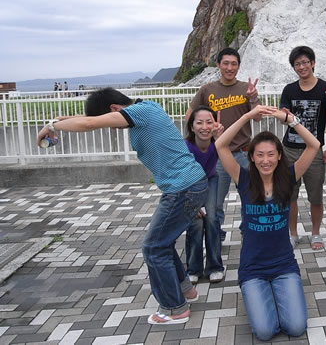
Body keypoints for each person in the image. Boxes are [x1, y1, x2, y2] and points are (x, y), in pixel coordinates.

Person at [36, 88, 208, 325]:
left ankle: (175, 309)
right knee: (162, 243)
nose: (112, 127)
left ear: (115, 109)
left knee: (153, 247)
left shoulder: (139, 113)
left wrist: (50, 127)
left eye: (111, 121)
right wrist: (56, 121)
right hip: (188, 186)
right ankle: (185, 290)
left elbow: (89, 124)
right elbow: (90, 120)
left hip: (183, 189)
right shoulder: (148, 107)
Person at [215, 105, 319, 341]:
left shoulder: (289, 177)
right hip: (253, 268)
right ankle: (260, 296)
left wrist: (290, 120)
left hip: (284, 266)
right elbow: (220, 145)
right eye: (259, 155)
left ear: (279, 156)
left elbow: (314, 145)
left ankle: (275, 294)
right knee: (264, 332)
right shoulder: (243, 179)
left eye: (271, 154)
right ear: (252, 157)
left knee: (296, 328)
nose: (265, 160)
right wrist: (248, 116)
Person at [186, 47, 260, 242]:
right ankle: (216, 237)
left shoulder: (246, 88)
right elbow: (190, 117)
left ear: (238, 66)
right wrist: (204, 136)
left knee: (250, 198)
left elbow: (258, 117)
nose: (229, 67)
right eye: (225, 63)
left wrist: (253, 98)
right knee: (215, 203)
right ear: (218, 65)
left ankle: (249, 233)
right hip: (217, 154)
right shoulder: (207, 89)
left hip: (243, 153)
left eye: (234, 64)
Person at [280, 46, 326, 251]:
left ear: (313, 63)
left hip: (314, 151)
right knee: (290, 195)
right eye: (297, 64)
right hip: (289, 149)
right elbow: (284, 117)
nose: (302, 67)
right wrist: (285, 116)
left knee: (316, 195)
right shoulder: (289, 90)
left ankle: (316, 233)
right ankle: (293, 234)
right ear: (293, 67)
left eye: (305, 62)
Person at [184, 106, 225, 284]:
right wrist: (193, 204)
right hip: (190, 184)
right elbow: (182, 177)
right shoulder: (186, 147)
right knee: (195, 222)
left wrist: (220, 138)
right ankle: (193, 269)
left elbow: (227, 157)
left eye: (209, 122)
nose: (204, 127)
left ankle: (215, 267)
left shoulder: (218, 142)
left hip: (210, 180)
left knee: (212, 219)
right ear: (192, 127)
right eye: (199, 123)